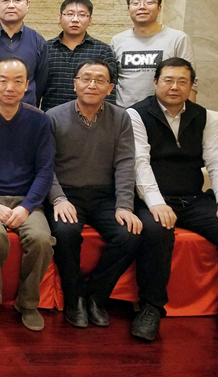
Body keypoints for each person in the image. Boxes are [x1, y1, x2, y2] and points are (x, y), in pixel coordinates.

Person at [46, 59, 141, 329]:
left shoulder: (120, 117)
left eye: (100, 80)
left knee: (130, 234)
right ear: (75, 84)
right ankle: (74, 297)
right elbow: (44, 166)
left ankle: (96, 297)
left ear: (110, 88)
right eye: (86, 78)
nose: (92, 84)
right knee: (65, 232)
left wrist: (125, 206)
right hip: (67, 194)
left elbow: (125, 163)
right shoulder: (53, 116)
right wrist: (58, 199)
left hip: (104, 196)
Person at [129, 58, 218, 341]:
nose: (174, 87)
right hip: (152, 198)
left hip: (194, 198)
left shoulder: (207, 117)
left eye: (182, 81)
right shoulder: (136, 114)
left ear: (192, 86)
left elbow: (216, 162)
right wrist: (156, 202)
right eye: (168, 80)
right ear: (156, 82)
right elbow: (139, 163)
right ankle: (151, 308)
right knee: (156, 232)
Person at [0, 56, 55, 331]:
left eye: (18, 81)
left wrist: (26, 207)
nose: (10, 87)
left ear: (27, 85)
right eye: (3, 81)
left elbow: (45, 170)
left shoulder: (39, 120)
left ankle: (27, 303)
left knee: (41, 239)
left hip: (26, 199)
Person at [111, 0, 196, 108]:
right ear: (128, 9)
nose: (142, 7)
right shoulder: (117, 40)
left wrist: (189, 116)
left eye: (149, 2)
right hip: (125, 113)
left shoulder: (178, 39)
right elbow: (112, 80)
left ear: (159, 8)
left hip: (164, 112)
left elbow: (190, 81)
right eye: (136, 3)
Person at [42, 0, 117, 111]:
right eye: (69, 14)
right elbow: (36, 87)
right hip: (50, 117)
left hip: (91, 118)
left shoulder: (103, 50)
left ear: (90, 20)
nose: (75, 19)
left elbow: (109, 92)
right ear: (59, 18)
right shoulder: (45, 48)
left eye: (82, 15)